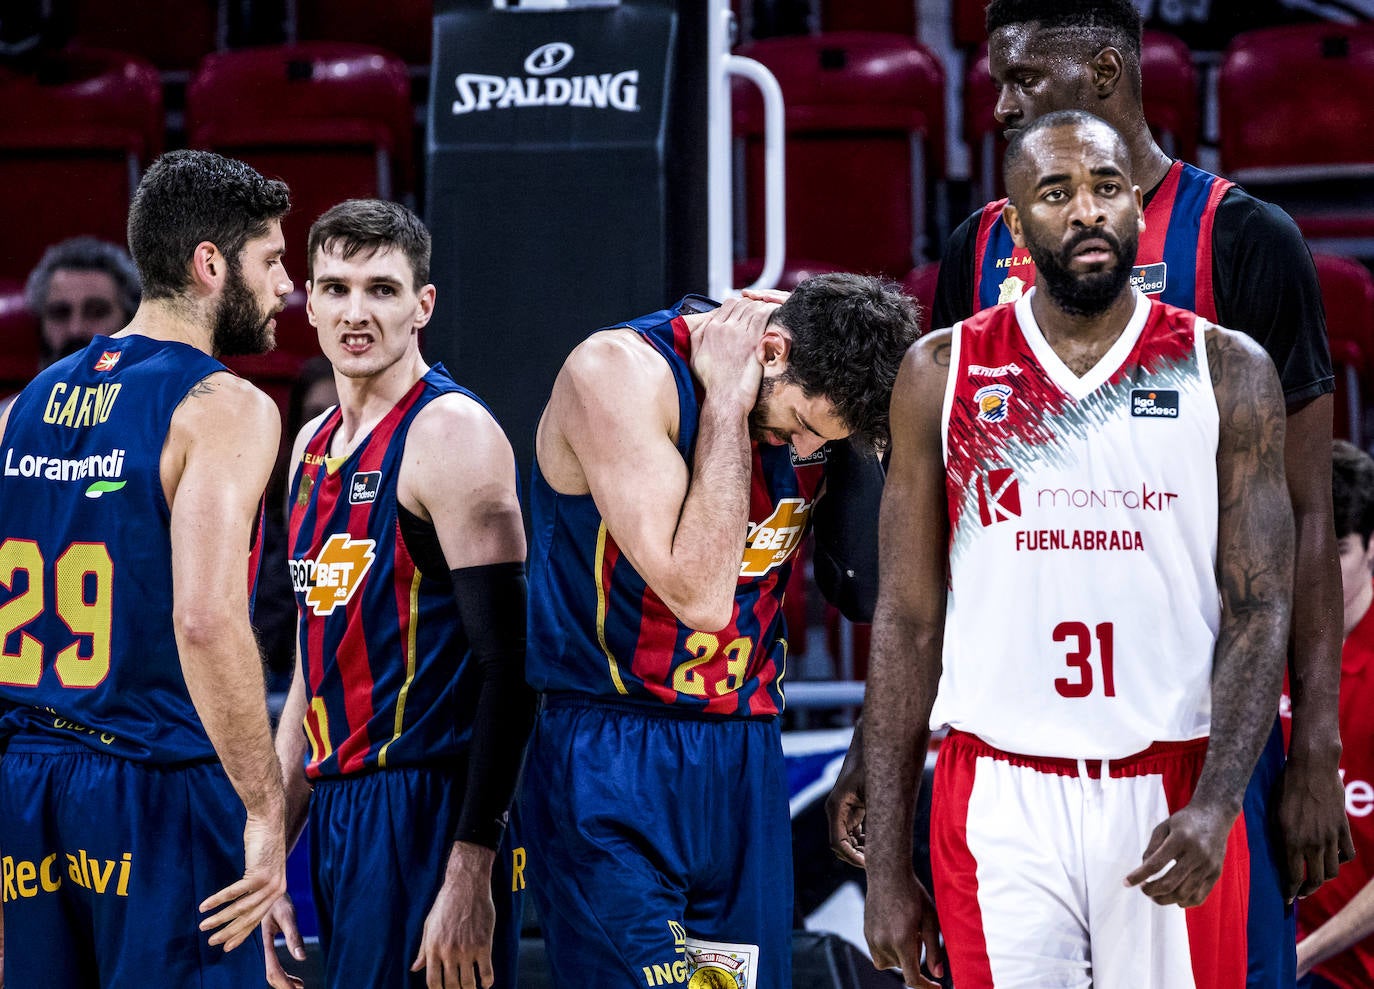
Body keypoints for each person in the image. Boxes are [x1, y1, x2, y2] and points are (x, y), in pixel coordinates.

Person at [829, 2, 1349, 982]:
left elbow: (1308, 510)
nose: (999, 107)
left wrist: (1316, 740)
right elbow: (920, 559)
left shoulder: (1242, 239)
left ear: (1105, 72)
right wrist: (877, 745)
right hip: (1009, 750)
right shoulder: (977, 251)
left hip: (1189, 739)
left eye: (1021, 79)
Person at [521, 272, 919, 989]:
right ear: (769, 350)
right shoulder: (617, 373)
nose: (799, 445)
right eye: (797, 422)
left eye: (819, 441)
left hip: (742, 749)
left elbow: (871, 588)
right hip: (612, 751)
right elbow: (700, 594)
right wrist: (731, 404)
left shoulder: (812, 403)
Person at [0, 149, 293, 986]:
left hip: (30, 785)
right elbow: (204, 620)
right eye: (271, 259)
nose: (285, 287)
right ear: (211, 264)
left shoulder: (26, 406)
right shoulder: (224, 404)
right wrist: (267, 806)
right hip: (154, 783)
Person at [261, 199, 533, 989]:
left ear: (423, 305)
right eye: (337, 288)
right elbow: (316, 662)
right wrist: (275, 838)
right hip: (342, 812)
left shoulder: (451, 435)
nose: (355, 313)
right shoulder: (310, 445)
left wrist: (469, 864)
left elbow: (513, 672)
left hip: (430, 804)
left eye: (382, 289)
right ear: (306, 300)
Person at [1292, 441, 1374, 988]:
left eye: (1337, 550)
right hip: (1266, 946)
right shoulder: (1263, 647)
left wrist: (1301, 956)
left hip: (1346, 968)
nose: (1315, 570)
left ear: (1371, 549)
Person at [24, 236, 142, 367]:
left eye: (97, 312)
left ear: (129, 320)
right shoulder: (31, 388)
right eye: (60, 314)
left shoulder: (160, 386)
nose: (76, 330)